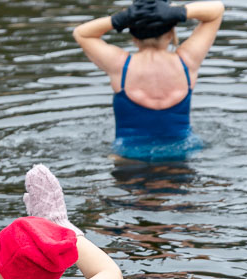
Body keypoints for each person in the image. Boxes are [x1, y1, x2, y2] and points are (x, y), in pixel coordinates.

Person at [73, 0, 225, 160]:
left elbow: (81, 33)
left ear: (133, 37)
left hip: (128, 159)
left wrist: (124, 17)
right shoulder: (186, 62)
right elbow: (216, 10)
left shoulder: (120, 66)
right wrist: (175, 12)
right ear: (170, 33)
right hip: (180, 158)